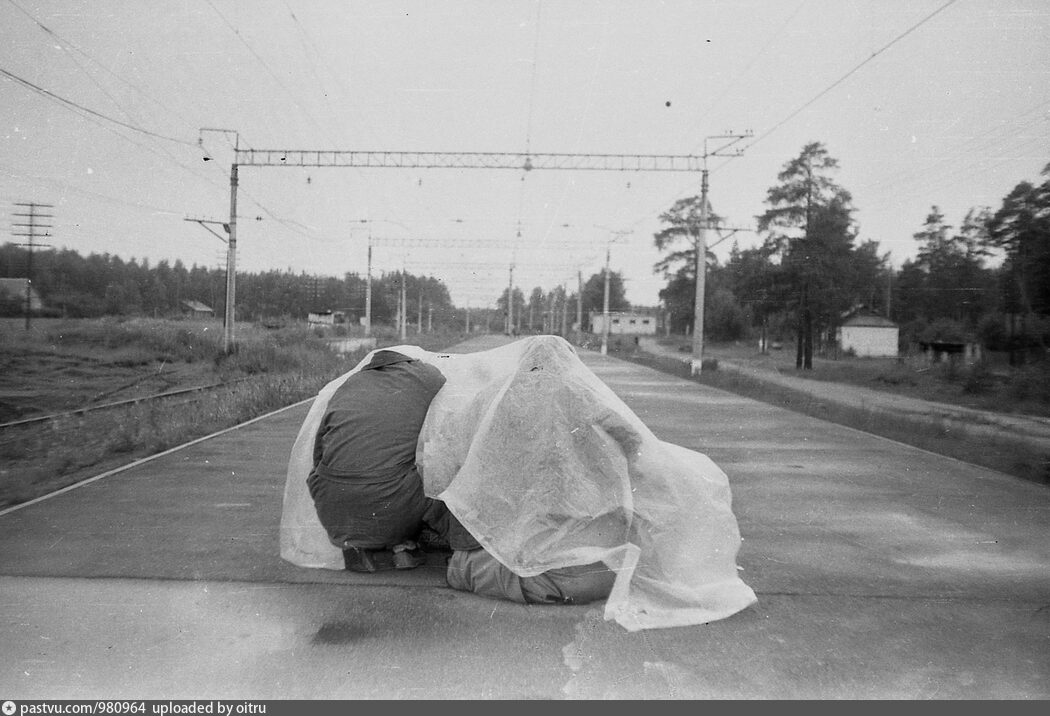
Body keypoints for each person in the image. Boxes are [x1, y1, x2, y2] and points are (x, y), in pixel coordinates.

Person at [307, 348, 450, 572]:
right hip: (393, 499)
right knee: (434, 471)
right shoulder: (424, 376)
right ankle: (404, 547)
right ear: (407, 362)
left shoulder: (350, 384)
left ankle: (355, 546)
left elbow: (319, 453)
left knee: (379, 468)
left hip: (330, 501)